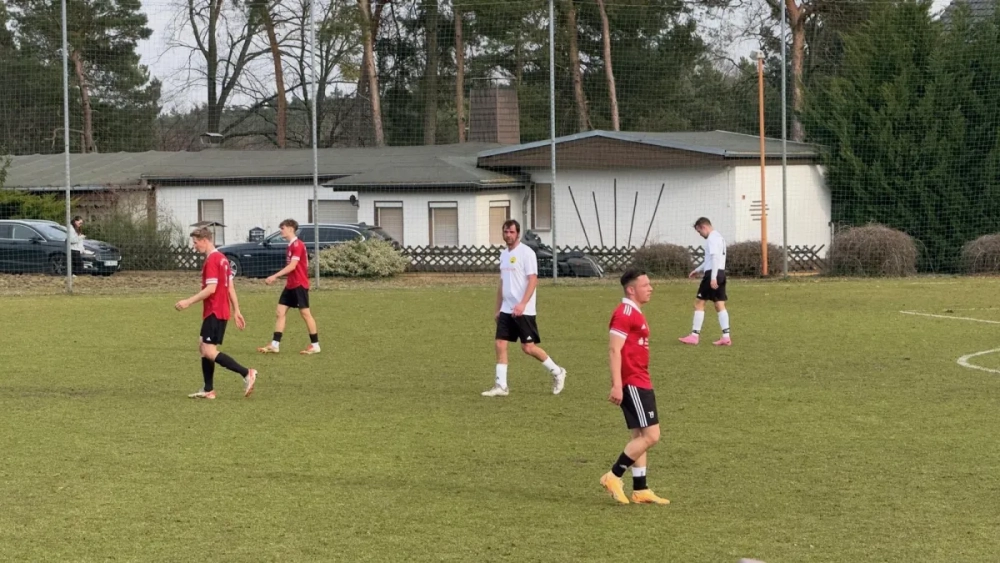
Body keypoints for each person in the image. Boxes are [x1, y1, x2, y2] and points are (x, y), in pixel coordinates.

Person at [599, 269, 669, 505]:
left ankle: (640, 488)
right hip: (633, 381)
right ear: (631, 289)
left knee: (639, 434)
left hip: (641, 379)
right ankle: (613, 475)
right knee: (652, 435)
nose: (650, 288)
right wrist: (617, 385)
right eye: (645, 285)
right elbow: (614, 349)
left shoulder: (635, 312)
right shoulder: (624, 313)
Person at [482, 219, 567, 397]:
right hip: (507, 308)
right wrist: (498, 308)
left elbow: (533, 280)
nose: (508, 235)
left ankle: (558, 372)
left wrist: (522, 304)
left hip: (524, 309)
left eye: (511, 232)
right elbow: (502, 283)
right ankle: (501, 385)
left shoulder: (527, 253)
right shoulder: (503, 255)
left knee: (528, 347)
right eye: (506, 232)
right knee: (500, 343)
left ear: (518, 234)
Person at [175, 227, 257, 399]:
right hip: (219, 310)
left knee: (209, 351)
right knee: (202, 346)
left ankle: (246, 373)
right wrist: (236, 310)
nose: (194, 246)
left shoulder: (213, 260)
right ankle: (208, 389)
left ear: (205, 240)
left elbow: (211, 289)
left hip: (215, 310)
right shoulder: (223, 259)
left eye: (195, 242)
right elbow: (230, 287)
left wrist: (188, 301)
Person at [257, 219, 321, 355]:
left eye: (283, 228)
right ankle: (275, 344)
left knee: (305, 314)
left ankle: (315, 345)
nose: (281, 231)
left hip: (299, 285)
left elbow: (292, 266)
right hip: (291, 285)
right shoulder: (291, 245)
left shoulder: (297, 245)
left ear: (291, 229)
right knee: (280, 312)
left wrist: (274, 276)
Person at [679, 217, 731, 346]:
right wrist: (697, 269)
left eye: (699, 231)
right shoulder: (719, 237)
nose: (700, 234)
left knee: (699, 303)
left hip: (712, 274)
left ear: (704, 227)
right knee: (719, 304)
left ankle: (694, 336)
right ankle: (726, 337)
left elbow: (714, 258)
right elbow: (710, 259)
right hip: (720, 273)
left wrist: (712, 277)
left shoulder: (712, 238)